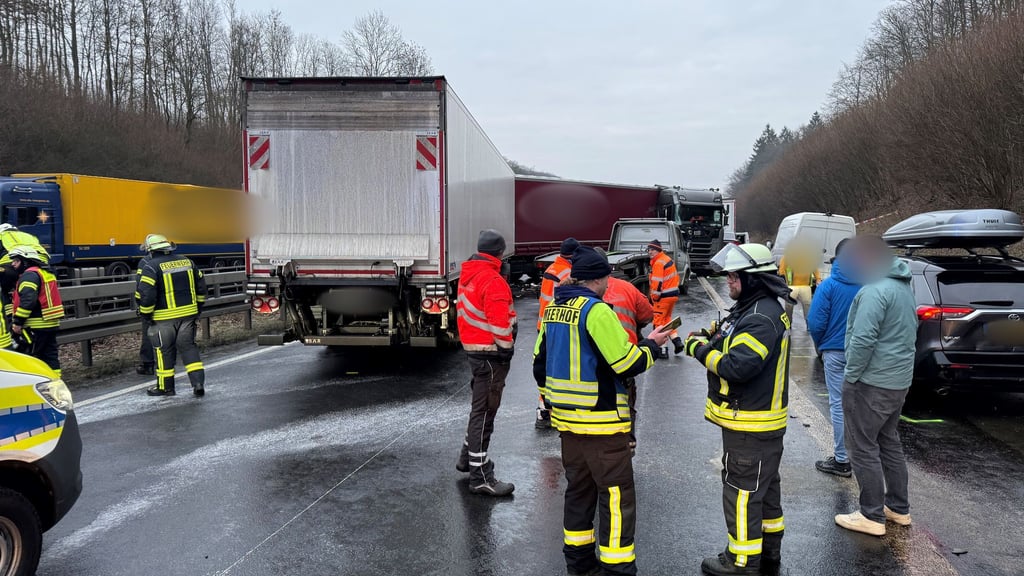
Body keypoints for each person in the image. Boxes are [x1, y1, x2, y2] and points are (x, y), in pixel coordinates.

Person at [533, 245, 670, 576]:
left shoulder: (553, 310)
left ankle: (579, 565)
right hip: (603, 425)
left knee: (579, 492)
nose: (610, 283)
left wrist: (556, 400)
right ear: (599, 279)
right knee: (616, 499)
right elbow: (626, 362)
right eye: (608, 277)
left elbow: (539, 366)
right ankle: (617, 568)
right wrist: (652, 345)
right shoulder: (597, 312)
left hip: (567, 424)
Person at [683, 243, 793, 576]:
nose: (728, 281)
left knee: (742, 493)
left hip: (751, 424)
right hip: (756, 424)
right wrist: (711, 336)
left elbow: (738, 366)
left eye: (734, 276)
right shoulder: (752, 308)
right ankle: (768, 552)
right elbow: (731, 336)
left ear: (753, 279)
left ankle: (742, 561)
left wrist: (700, 351)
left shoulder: (760, 317)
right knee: (765, 490)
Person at [834, 235, 917, 536]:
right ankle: (898, 508)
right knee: (888, 442)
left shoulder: (874, 291)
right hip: (897, 382)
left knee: (862, 446)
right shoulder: (903, 287)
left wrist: (851, 376)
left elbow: (863, 339)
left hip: (870, 383)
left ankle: (871, 515)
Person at [455, 229, 517, 497]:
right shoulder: (492, 280)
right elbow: (499, 323)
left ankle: (467, 459)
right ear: (500, 253)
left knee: (479, 409)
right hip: (491, 354)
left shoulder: (470, 274)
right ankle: (481, 476)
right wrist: (507, 349)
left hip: (475, 351)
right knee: (485, 413)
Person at [807, 238, 859, 478]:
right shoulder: (870, 284)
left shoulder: (829, 286)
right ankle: (862, 457)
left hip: (835, 352)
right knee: (861, 405)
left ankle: (841, 459)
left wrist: (821, 345)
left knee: (838, 404)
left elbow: (816, 322)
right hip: (863, 353)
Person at [136, 234, 207, 397]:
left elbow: (146, 294)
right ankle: (198, 384)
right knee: (189, 348)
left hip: (163, 318)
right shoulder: (187, 262)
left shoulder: (151, 267)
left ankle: (166, 387)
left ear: (151, 251)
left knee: (163, 352)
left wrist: (146, 315)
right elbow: (201, 287)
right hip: (188, 315)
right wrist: (198, 307)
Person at [597, 249, 654, 451]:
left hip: (591, 360)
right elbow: (647, 314)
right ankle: (627, 441)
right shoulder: (627, 288)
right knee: (626, 399)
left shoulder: (576, 291)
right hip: (624, 355)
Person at [536, 237, 579, 429]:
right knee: (557, 370)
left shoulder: (552, 268)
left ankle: (543, 409)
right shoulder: (568, 272)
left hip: (544, 325)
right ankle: (550, 409)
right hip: (556, 324)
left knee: (545, 369)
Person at [9, 245, 65, 375]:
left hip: (36, 325)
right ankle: (55, 381)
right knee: (50, 356)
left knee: (33, 357)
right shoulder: (44, 273)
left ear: (25, 261)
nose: (13, 264)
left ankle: (35, 386)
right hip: (50, 323)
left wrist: (18, 322)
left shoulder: (29, 276)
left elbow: (28, 301)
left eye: (16, 261)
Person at [647, 239, 684, 355]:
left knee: (658, 323)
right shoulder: (666, 260)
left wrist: (654, 297)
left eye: (652, 250)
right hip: (672, 296)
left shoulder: (658, 263)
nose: (650, 252)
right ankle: (677, 342)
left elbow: (657, 283)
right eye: (649, 250)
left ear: (658, 250)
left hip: (662, 297)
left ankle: (662, 349)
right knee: (667, 320)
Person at [777, 242, 820, 328]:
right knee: (790, 306)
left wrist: (818, 278)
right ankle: (789, 324)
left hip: (805, 286)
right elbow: (781, 270)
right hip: (792, 286)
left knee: (807, 306)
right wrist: (783, 282)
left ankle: (809, 325)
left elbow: (815, 269)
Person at [134, 250, 156, 375]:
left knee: (148, 334)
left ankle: (148, 365)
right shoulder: (172, 260)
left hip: (150, 305)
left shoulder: (145, 262)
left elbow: (141, 286)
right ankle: (167, 363)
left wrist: (141, 305)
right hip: (169, 306)